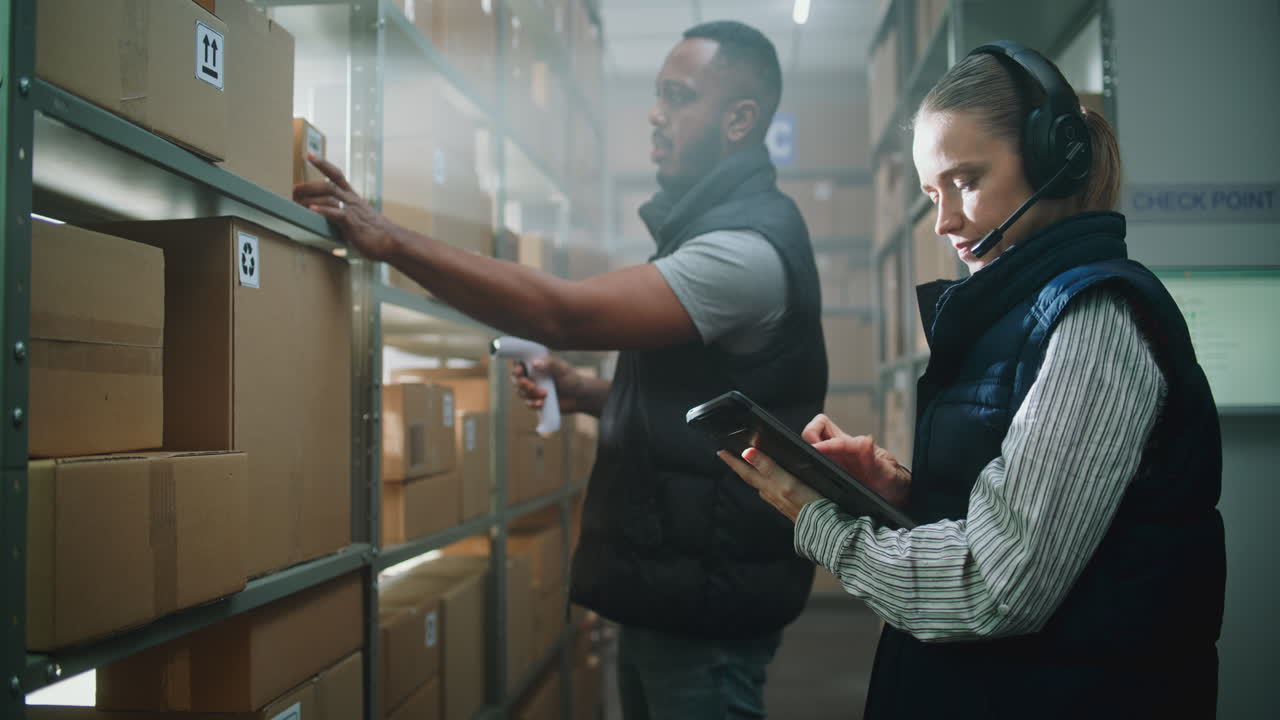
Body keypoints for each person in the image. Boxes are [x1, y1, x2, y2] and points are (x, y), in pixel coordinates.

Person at [295, 20, 828, 719]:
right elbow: (707, 412)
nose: (655, 113)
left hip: (706, 604)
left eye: (677, 97)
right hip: (677, 591)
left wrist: (391, 241)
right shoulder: (716, 231)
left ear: (738, 120)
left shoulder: (745, 251)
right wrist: (584, 394)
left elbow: (565, 316)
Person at [719, 41, 1226, 719]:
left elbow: (993, 584)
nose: (946, 221)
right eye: (933, 193)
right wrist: (904, 490)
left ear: (1054, 158)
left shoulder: (1093, 322)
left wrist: (820, 523)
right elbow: (1023, 502)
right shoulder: (1012, 313)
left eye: (965, 180)